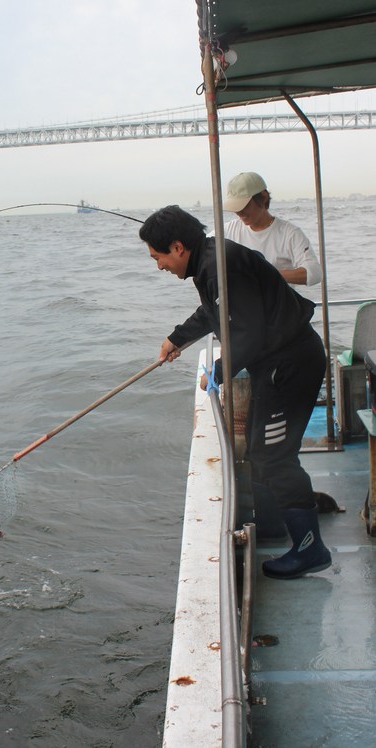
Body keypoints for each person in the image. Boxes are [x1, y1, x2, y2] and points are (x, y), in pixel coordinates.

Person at [139, 204, 331, 580]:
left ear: (177, 247)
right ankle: (290, 521)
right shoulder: (209, 261)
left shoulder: (219, 265)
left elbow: (248, 333)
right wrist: (177, 338)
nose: (159, 266)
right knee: (262, 450)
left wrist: (216, 372)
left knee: (274, 456)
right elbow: (214, 312)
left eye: (158, 257)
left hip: (289, 367)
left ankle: (310, 549)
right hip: (276, 366)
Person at [223, 172, 322, 287]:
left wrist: (266, 273)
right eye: (235, 207)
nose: (239, 212)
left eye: (244, 206)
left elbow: (314, 273)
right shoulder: (228, 230)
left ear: (264, 198)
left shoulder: (289, 233)